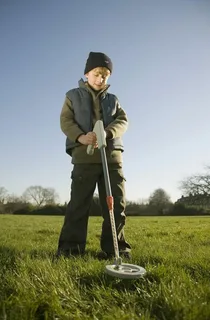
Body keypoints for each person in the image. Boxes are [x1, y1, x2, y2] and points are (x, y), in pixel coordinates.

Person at [56, 52, 131, 259]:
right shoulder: (72, 96)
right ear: (87, 73)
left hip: (112, 159)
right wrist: (81, 137)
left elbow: (123, 121)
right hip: (84, 158)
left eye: (106, 75)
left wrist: (106, 133)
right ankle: (70, 251)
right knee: (79, 205)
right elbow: (66, 121)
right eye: (97, 73)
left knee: (116, 205)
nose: (101, 79)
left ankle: (116, 250)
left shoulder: (113, 99)